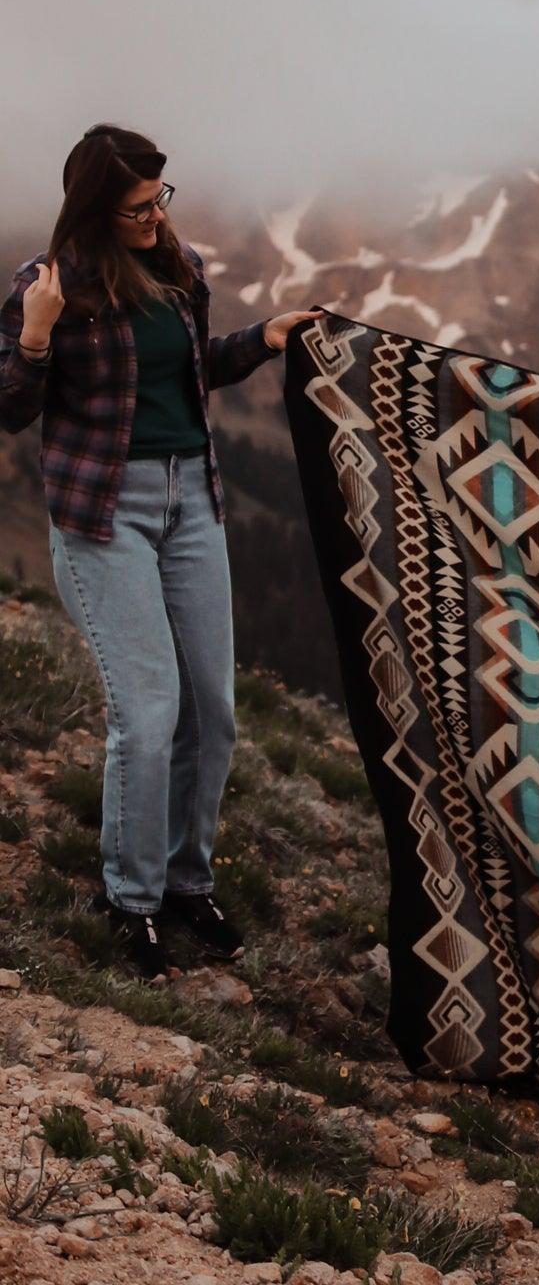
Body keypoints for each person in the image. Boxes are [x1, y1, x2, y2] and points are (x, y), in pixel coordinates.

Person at [0, 125, 323, 983]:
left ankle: (187, 881)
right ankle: (129, 898)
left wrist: (265, 338)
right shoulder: (49, 284)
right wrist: (34, 336)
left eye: (159, 201)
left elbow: (190, 372)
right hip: (105, 516)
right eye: (138, 207)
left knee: (211, 712)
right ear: (97, 207)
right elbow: (8, 407)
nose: (154, 216)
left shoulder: (176, 269)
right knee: (147, 717)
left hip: (194, 506)